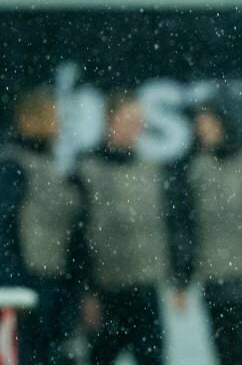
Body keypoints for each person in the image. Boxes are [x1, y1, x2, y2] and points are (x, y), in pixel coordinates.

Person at [169, 91, 242, 365]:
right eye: (199, 123)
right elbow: (185, 228)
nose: (202, 129)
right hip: (216, 283)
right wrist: (181, 277)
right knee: (228, 356)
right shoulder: (194, 169)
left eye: (208, 122)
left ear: (226, 121)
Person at [77, 91, 183, 365]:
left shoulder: (151, 170)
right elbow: (78, 236)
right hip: (106, 289)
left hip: (145, 286)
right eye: (128, 121)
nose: (135, 129)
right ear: (109, 121)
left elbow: (169, 224)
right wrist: (87, 290)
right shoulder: (86, 170)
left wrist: (177, 274)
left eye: (138, 123)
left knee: (151, 357)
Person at [0, 87, 84, 364]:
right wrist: (13, 283)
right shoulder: (13, 165)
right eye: (50, 117)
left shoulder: (54, 165)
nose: (56, 125)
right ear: (27, 120)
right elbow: (5, 228)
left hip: (55, 280)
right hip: (29, 283)